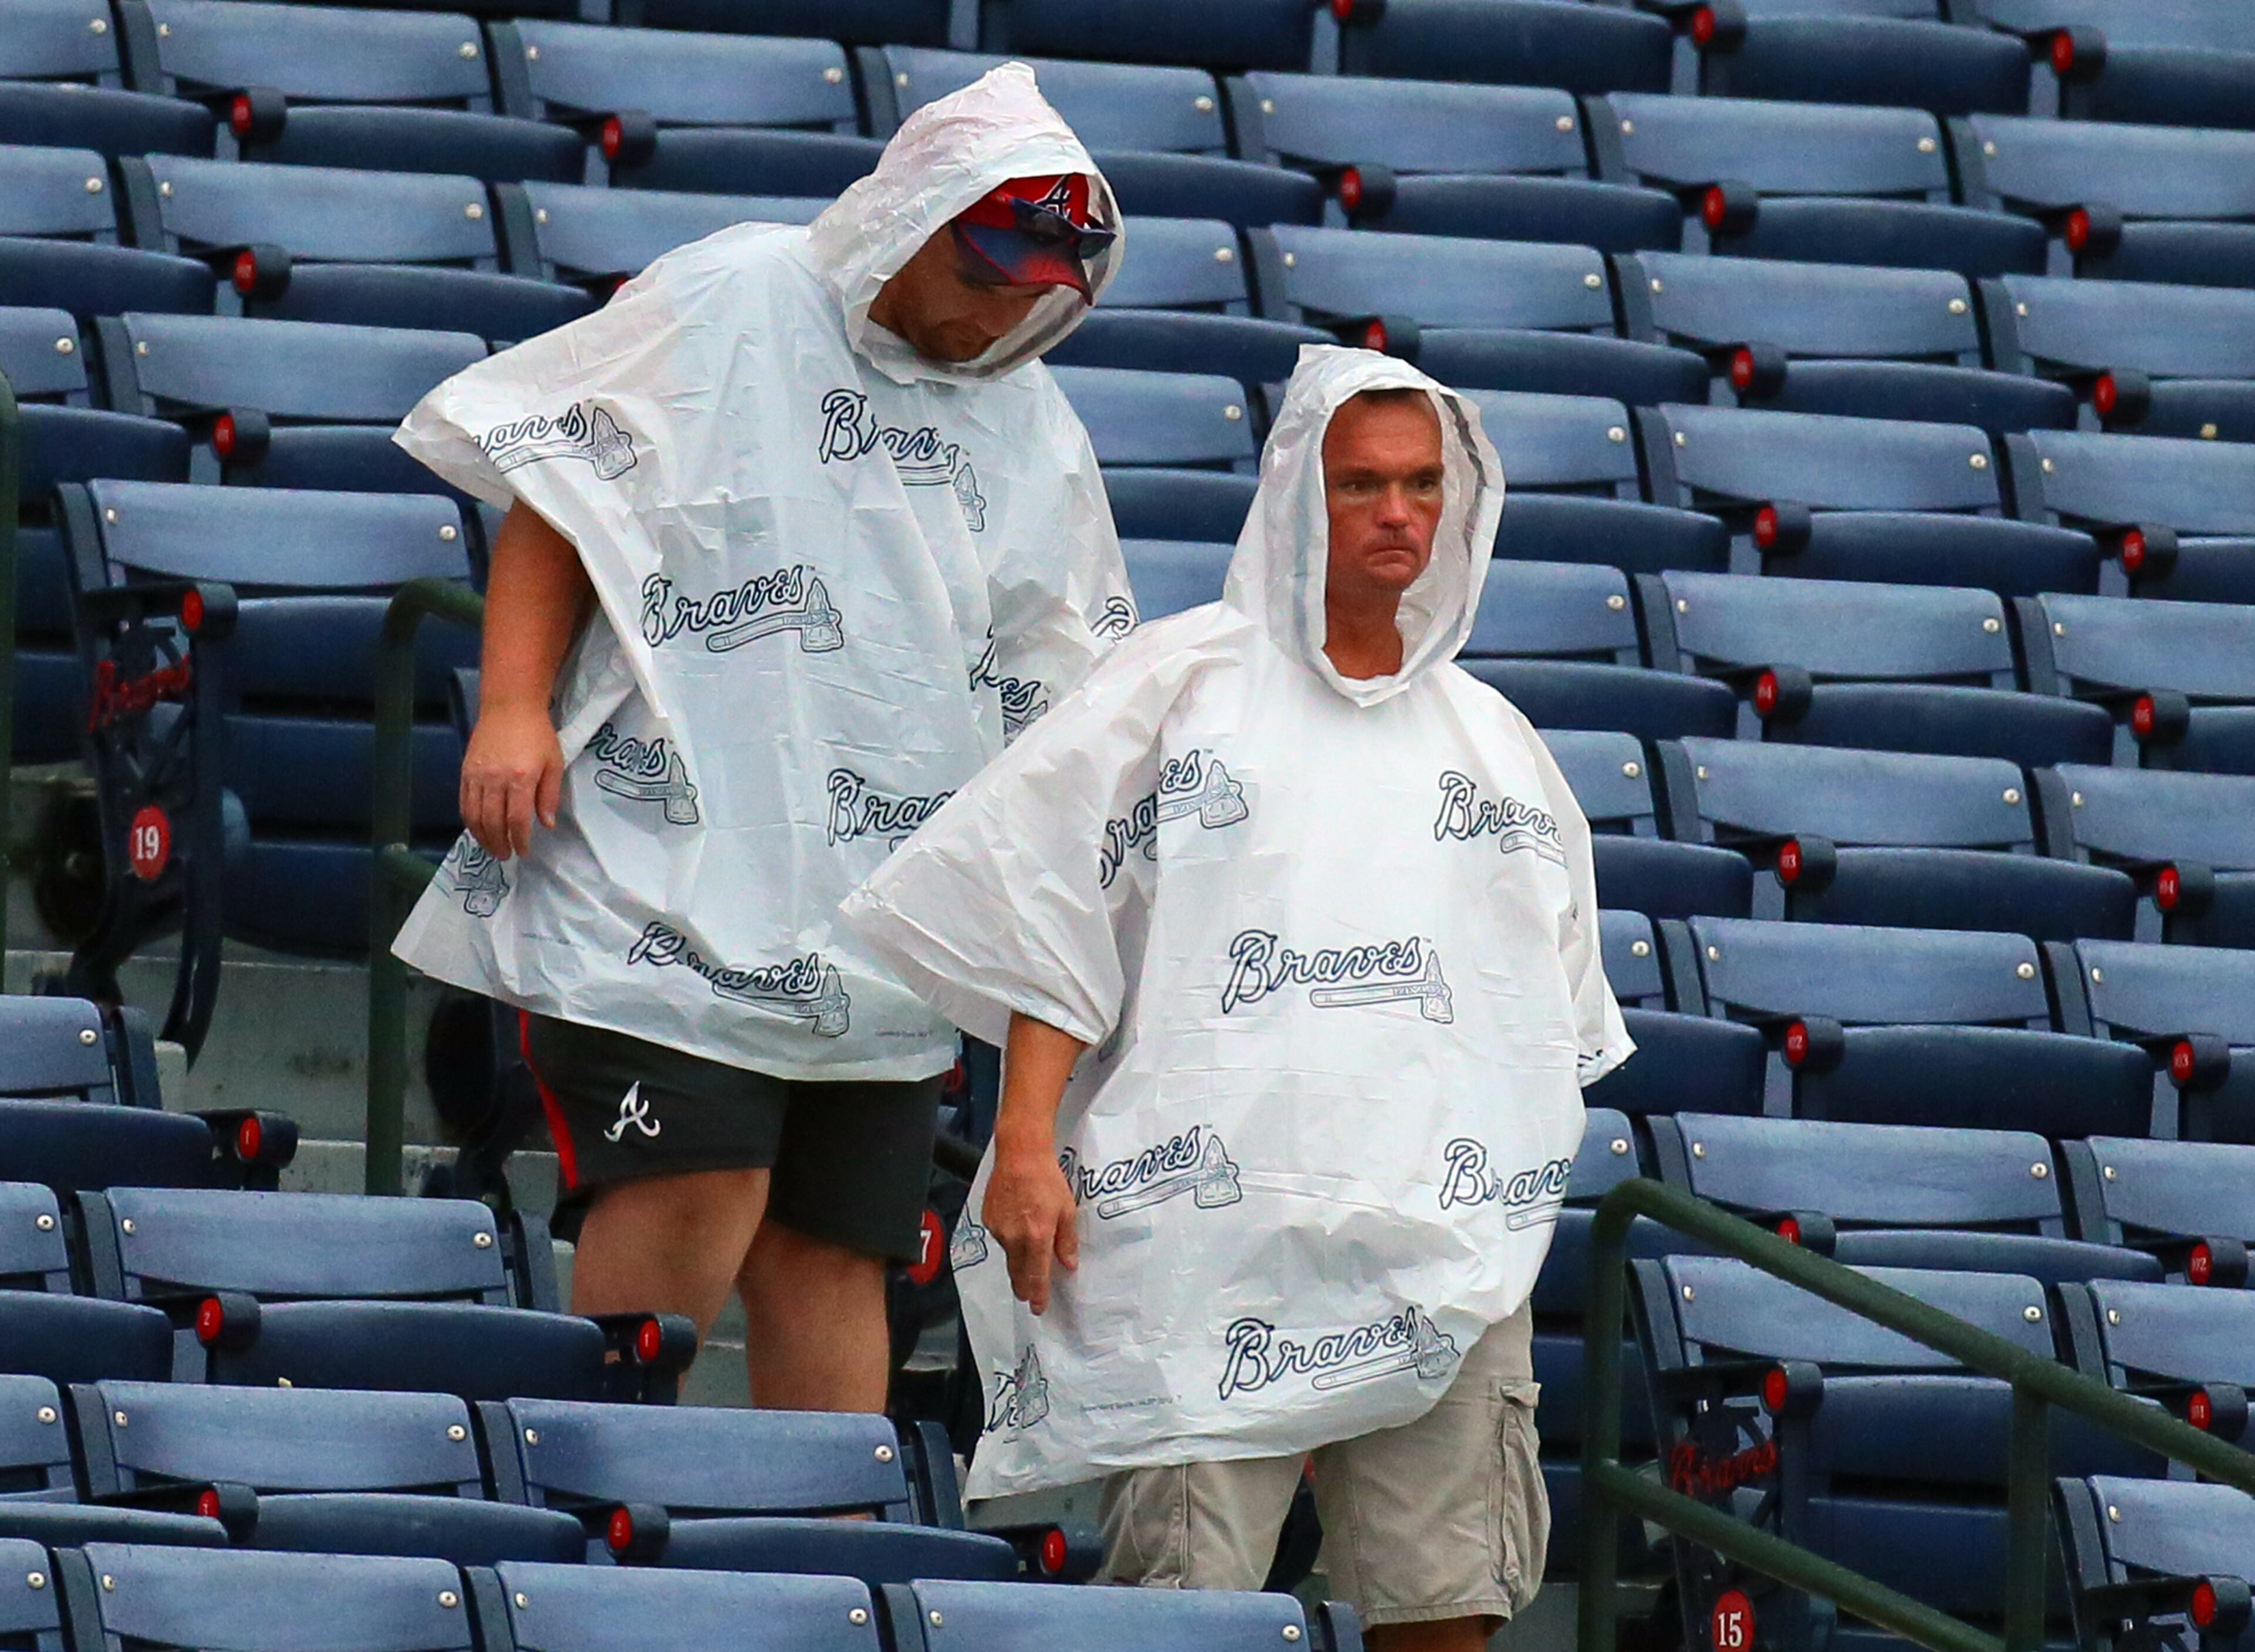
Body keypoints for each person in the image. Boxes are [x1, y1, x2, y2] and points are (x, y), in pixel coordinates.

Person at [844, 346, 1633, 1648]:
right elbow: (1054, 916)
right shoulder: (1179, 688)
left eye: (1424, 484)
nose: (1398, 513)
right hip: (1201, 1246)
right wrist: (1027, 1143)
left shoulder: (1493, 743)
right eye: (1364, 483)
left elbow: (1544, 1014)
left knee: (1449, 1609)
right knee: (1185, 1620)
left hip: (1440, 1252)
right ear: (1298, 498)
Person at [386, 63, 1137, 1414]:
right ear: (913, 221)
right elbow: (565, 481)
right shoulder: (737, 292)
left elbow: (1063, 710)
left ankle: (815, 1581)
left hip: (882, 940)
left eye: (1039, 287)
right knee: (697, 1188)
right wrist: (511, 703)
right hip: (663, 878)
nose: (1007, 309)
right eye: (987, 274)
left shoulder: (1036, 426)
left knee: (837, 1263)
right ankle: (591, 1550)